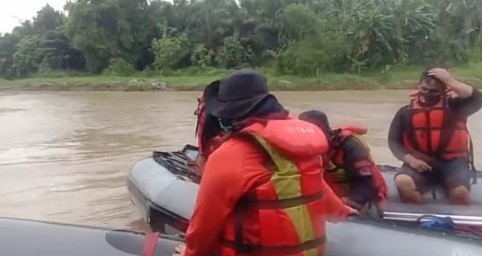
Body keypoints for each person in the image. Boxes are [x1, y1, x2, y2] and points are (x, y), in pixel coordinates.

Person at [174, 70, 357, 256]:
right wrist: (343, 212)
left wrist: (190, 253)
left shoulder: (230, 155)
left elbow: (205, 222)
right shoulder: (306, 147)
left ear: (229, 116)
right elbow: (317, 186)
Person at [388, 68, 482, 205]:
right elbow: (394, 142)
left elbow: (476, 99)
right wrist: (411, 160)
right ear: (419, 86)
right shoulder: (405, 112)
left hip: (453, 164)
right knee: (403, 182)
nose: (427, 94)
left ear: (444, 90)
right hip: (420, 163)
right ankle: (419, 218)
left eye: (434, 91)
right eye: (424, 89)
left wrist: (450, 81)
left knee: (460, 193)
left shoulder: (456, 107)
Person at [299, 110, 388, 214]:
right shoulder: (299, 146)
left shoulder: (350, 146)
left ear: (322, 130)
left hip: (363, 187)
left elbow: (367, 184)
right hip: (331, 190)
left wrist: (348, 202)